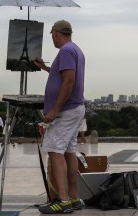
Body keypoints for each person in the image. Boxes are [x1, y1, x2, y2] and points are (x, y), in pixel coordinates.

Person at [33, 20, 86, 214]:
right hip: (75, 108)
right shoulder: (75, 50)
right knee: (69, 152)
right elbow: (63, 75)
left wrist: (54, 109)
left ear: (55, 33)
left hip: (66, 111)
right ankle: (74, 198)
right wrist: (45, 68)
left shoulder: (65, 51)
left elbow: (69, 81)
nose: (52, 38)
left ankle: (63, 200)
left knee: (55, 151)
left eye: (52, 35)